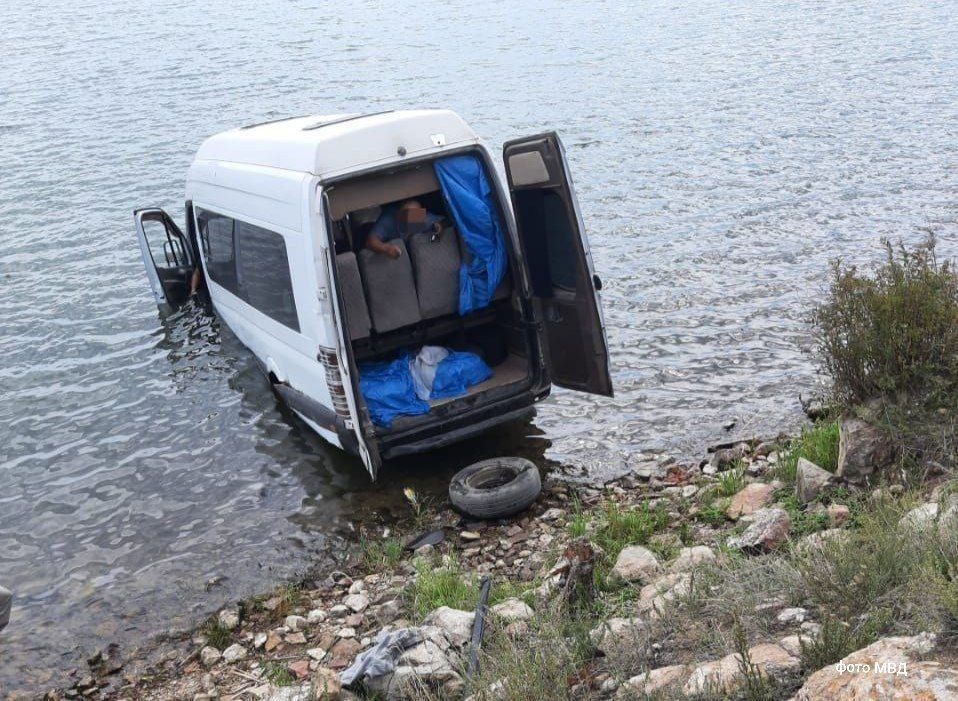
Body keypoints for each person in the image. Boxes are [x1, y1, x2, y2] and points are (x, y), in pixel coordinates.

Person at [364, 199, 443, 259]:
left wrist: (439, 227)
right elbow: (371, 241)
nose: (411, 221)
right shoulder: (388, 220)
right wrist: (386, 248)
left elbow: (441, 222)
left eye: (415, 217)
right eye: (407, 217)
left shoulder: (422, 218)